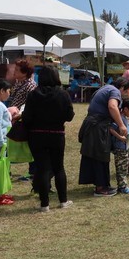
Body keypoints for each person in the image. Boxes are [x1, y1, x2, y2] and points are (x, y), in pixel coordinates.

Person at [22, 66, 75, 212]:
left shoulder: (33, 95)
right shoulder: (63, 94)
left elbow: (27, 117)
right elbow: (69, 116)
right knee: (58, 168)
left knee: (42, 168)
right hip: (56, 134)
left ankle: (44, 204)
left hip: (36, 135)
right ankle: (63, 201)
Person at [79, 77, 129, 196]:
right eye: (126, 91)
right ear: (122, 88)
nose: (126, 94)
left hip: (92, 124)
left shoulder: (105, 88)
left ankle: (101, 184)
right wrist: (121, 125)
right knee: (100, 155)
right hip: (98, 127)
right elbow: (112, 106)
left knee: (94, 155)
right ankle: (101, 188)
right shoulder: (115, 91)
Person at [8, 59, 37, 181]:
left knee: (30, 146)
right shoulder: (18, 83)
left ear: (25, 73)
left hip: (22, 120)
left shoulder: (30, 86)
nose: (14, 71)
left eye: (17, 70)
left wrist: (19, 116)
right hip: (14, 118)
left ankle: (33, 172)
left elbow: (32, 105)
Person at [109, 99, 129, 195]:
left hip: (125, 147)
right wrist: (120, 137)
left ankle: (123, 186)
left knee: (124, 167)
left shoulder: (124, 118)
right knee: (122, 169)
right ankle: (122, 187)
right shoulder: (120, 118)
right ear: (125, 109)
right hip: (120, 147)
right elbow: (111, 129)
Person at [0, 79, 13, 206]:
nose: (9, 94)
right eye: (8, 91)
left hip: (0, 142)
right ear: (1, 91)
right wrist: (1, 142)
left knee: (1, 167)